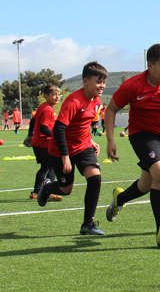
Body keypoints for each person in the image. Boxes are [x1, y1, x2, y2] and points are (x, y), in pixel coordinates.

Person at [104, 44, 160, 247]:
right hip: (141, 136)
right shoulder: (134, 85)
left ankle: (121, 198)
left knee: (146, 183)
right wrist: (110, 140)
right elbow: (111, 110)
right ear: (150, 65)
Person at [36, 62, 108, 236]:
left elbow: (82, 125)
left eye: (104, 82)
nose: (102, 86)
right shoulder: (73, 101)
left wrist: (91, 141)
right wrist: (65, 156)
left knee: (95, 178)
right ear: (85, 81)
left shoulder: (96, 101)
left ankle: (87, 224)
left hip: (83, 147)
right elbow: (59, 129)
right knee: (66, 189)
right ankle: (46, 189)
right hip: (60, 150)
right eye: (98, 81)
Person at [29, 85, 63, 202]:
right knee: (47, 168)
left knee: (49, 167)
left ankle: (46, 191)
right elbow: (44, 128)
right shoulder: (47, 109)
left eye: (59, 95)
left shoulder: (44, 107)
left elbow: (33, 121)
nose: (57, 97)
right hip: (43, 144)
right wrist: (56, 137)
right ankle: (37, 192)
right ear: (46, 95)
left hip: (39, 143)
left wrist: (30, 135)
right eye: (54, 94)